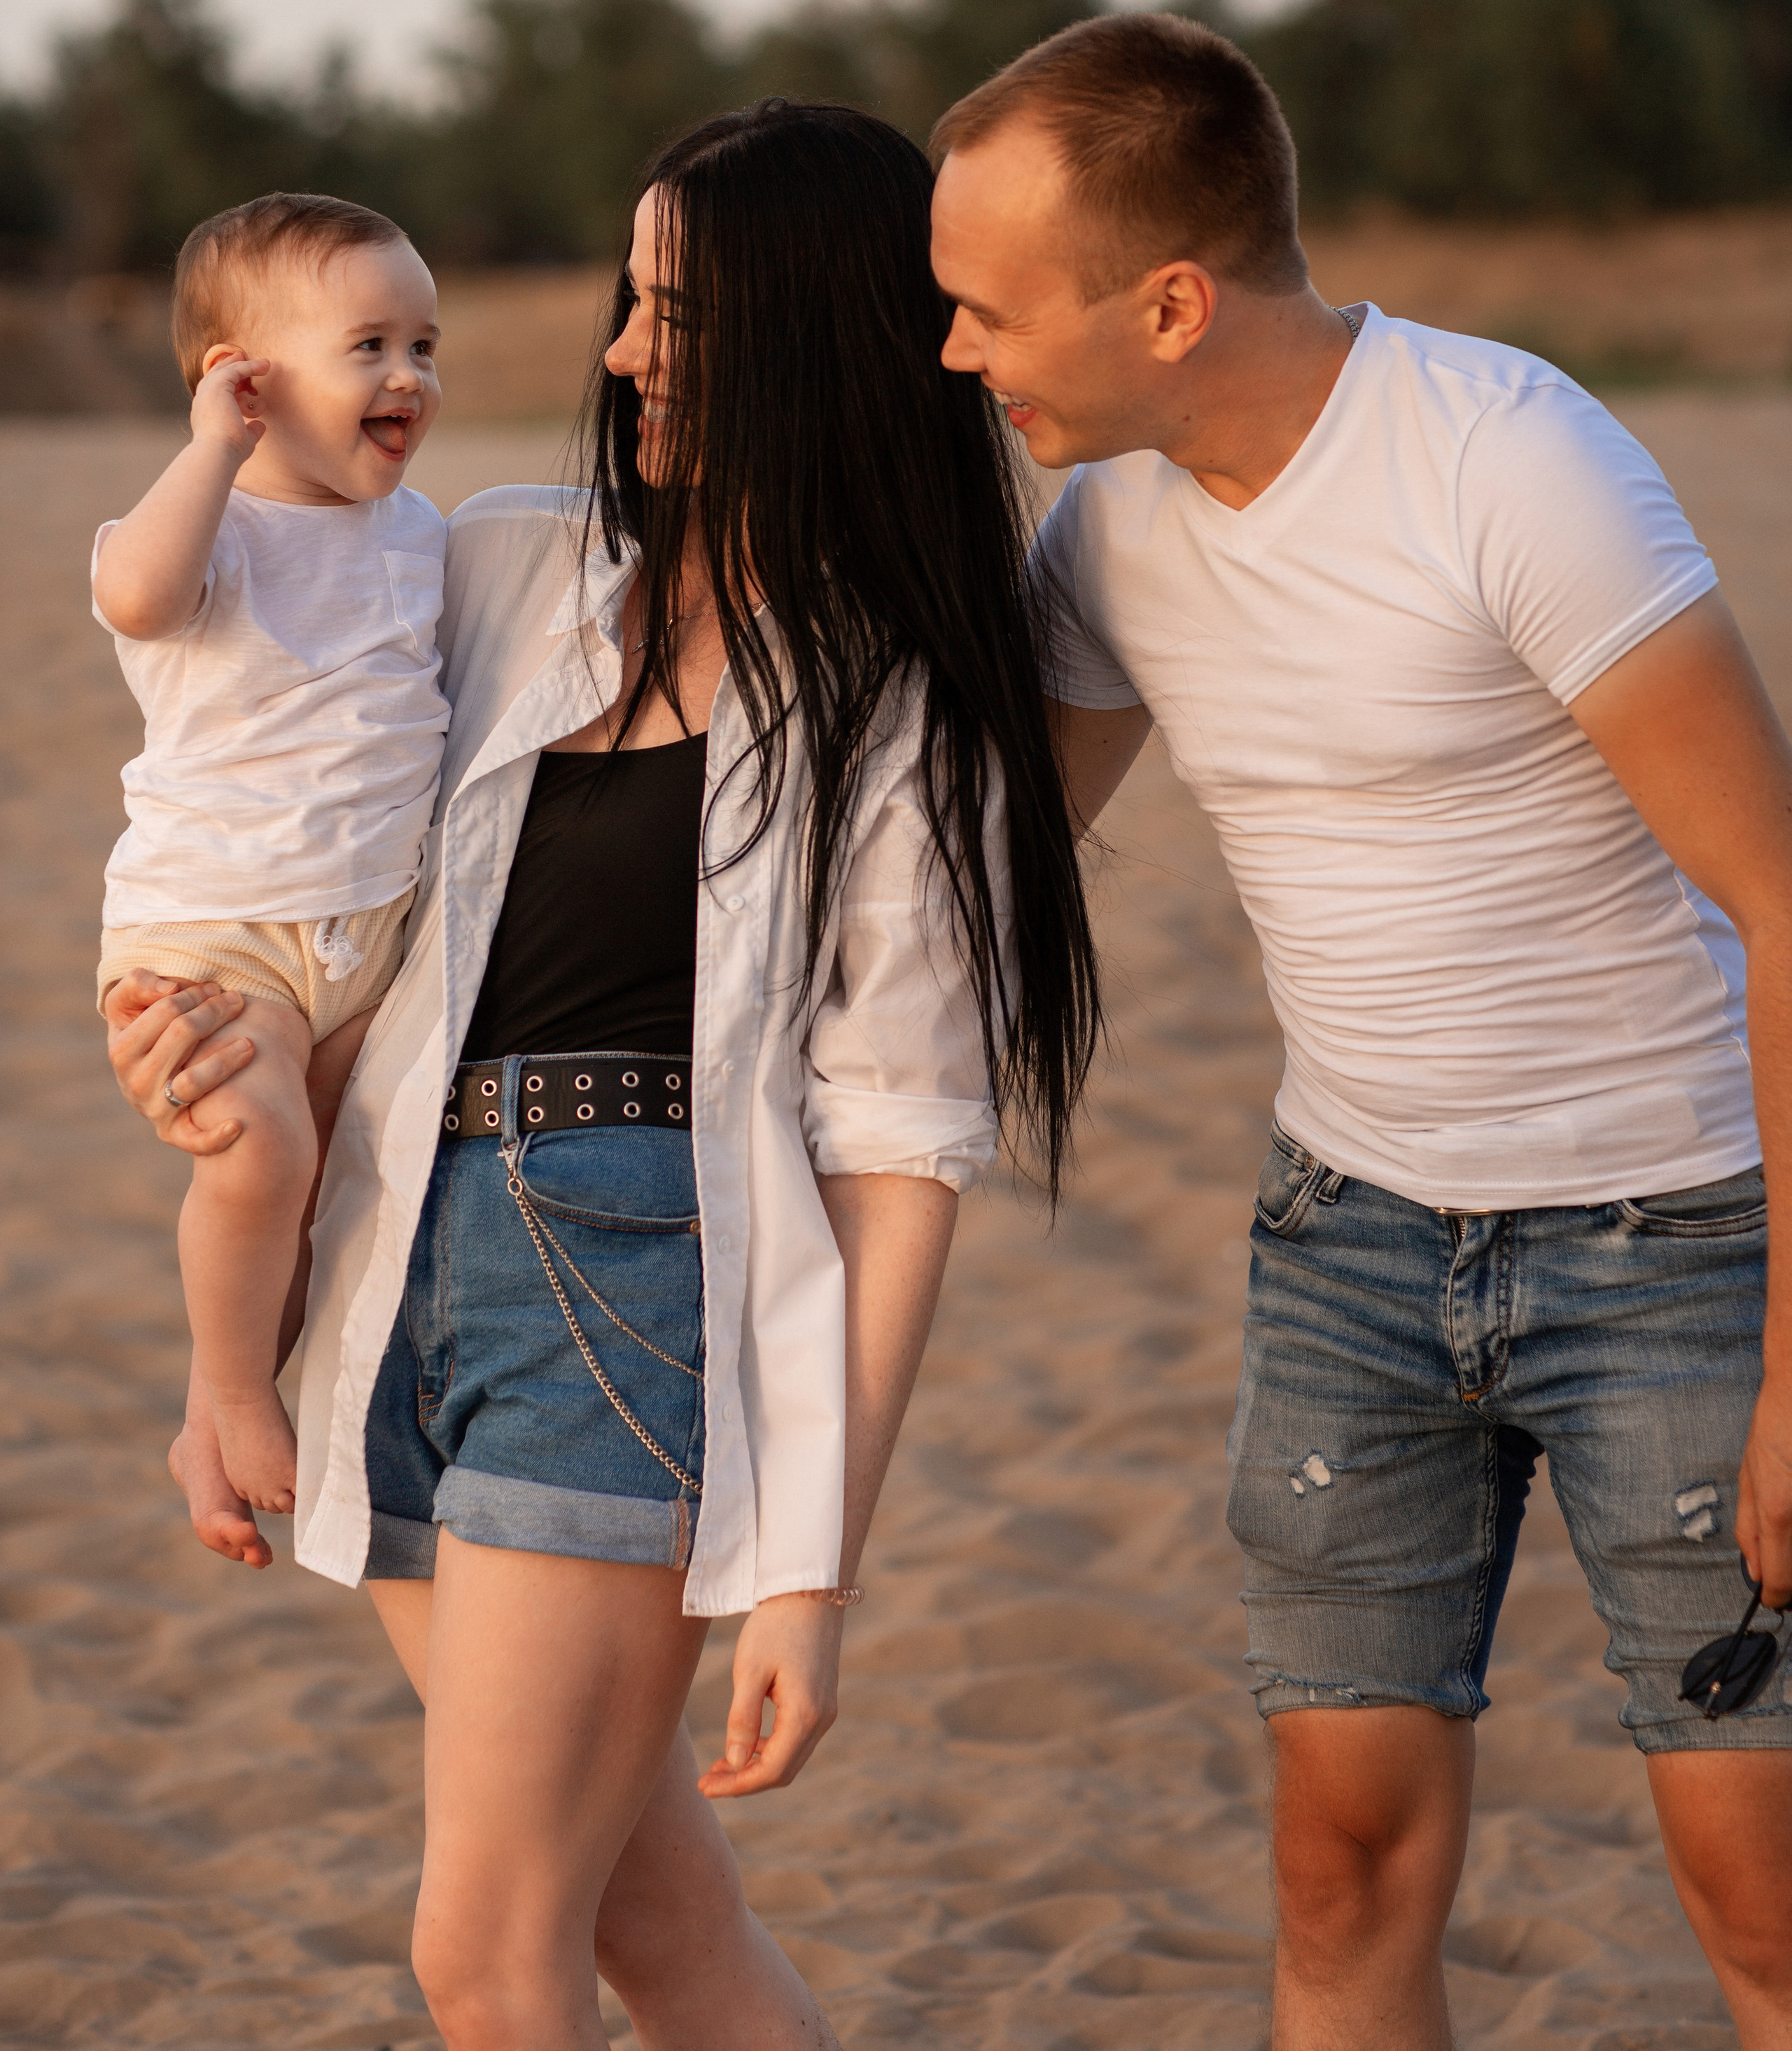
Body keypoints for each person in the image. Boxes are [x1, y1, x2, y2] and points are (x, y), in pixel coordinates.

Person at [107, 99, 1099, 2051]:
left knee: (481, 1960)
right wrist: (211, 1090)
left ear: (810, 338)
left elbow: (901, 1156)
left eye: (678, 315)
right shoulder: (493, 566)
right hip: (391, 1277)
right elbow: (290, 844)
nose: (625, 353)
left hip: (632, 1317)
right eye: (631, 304)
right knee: (661, 1932)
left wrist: (811, 1568)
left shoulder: (897, 693)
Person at [928, 13, 1792, 2050]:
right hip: (1353, 1250)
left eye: (986, 310)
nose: (960, 354)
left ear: (1167, 299)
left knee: (1758, 1902)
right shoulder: (1112, 525)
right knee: (1340, 1869)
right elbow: (979, 869)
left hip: (1672, 1247)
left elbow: (1784, 895)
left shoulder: (1511, 460)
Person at [92, 192, 447, 1529]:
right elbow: (135, 597)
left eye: (423, 343)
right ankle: (240, 1396)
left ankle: (208, 1413)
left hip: (370, 933)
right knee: (256, 1152)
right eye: (368, 345)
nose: (408, 374)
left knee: (320, 1193)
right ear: (241, 379)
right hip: (220, 931)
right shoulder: (213, 531)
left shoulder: (419, 536)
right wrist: (206, 453)